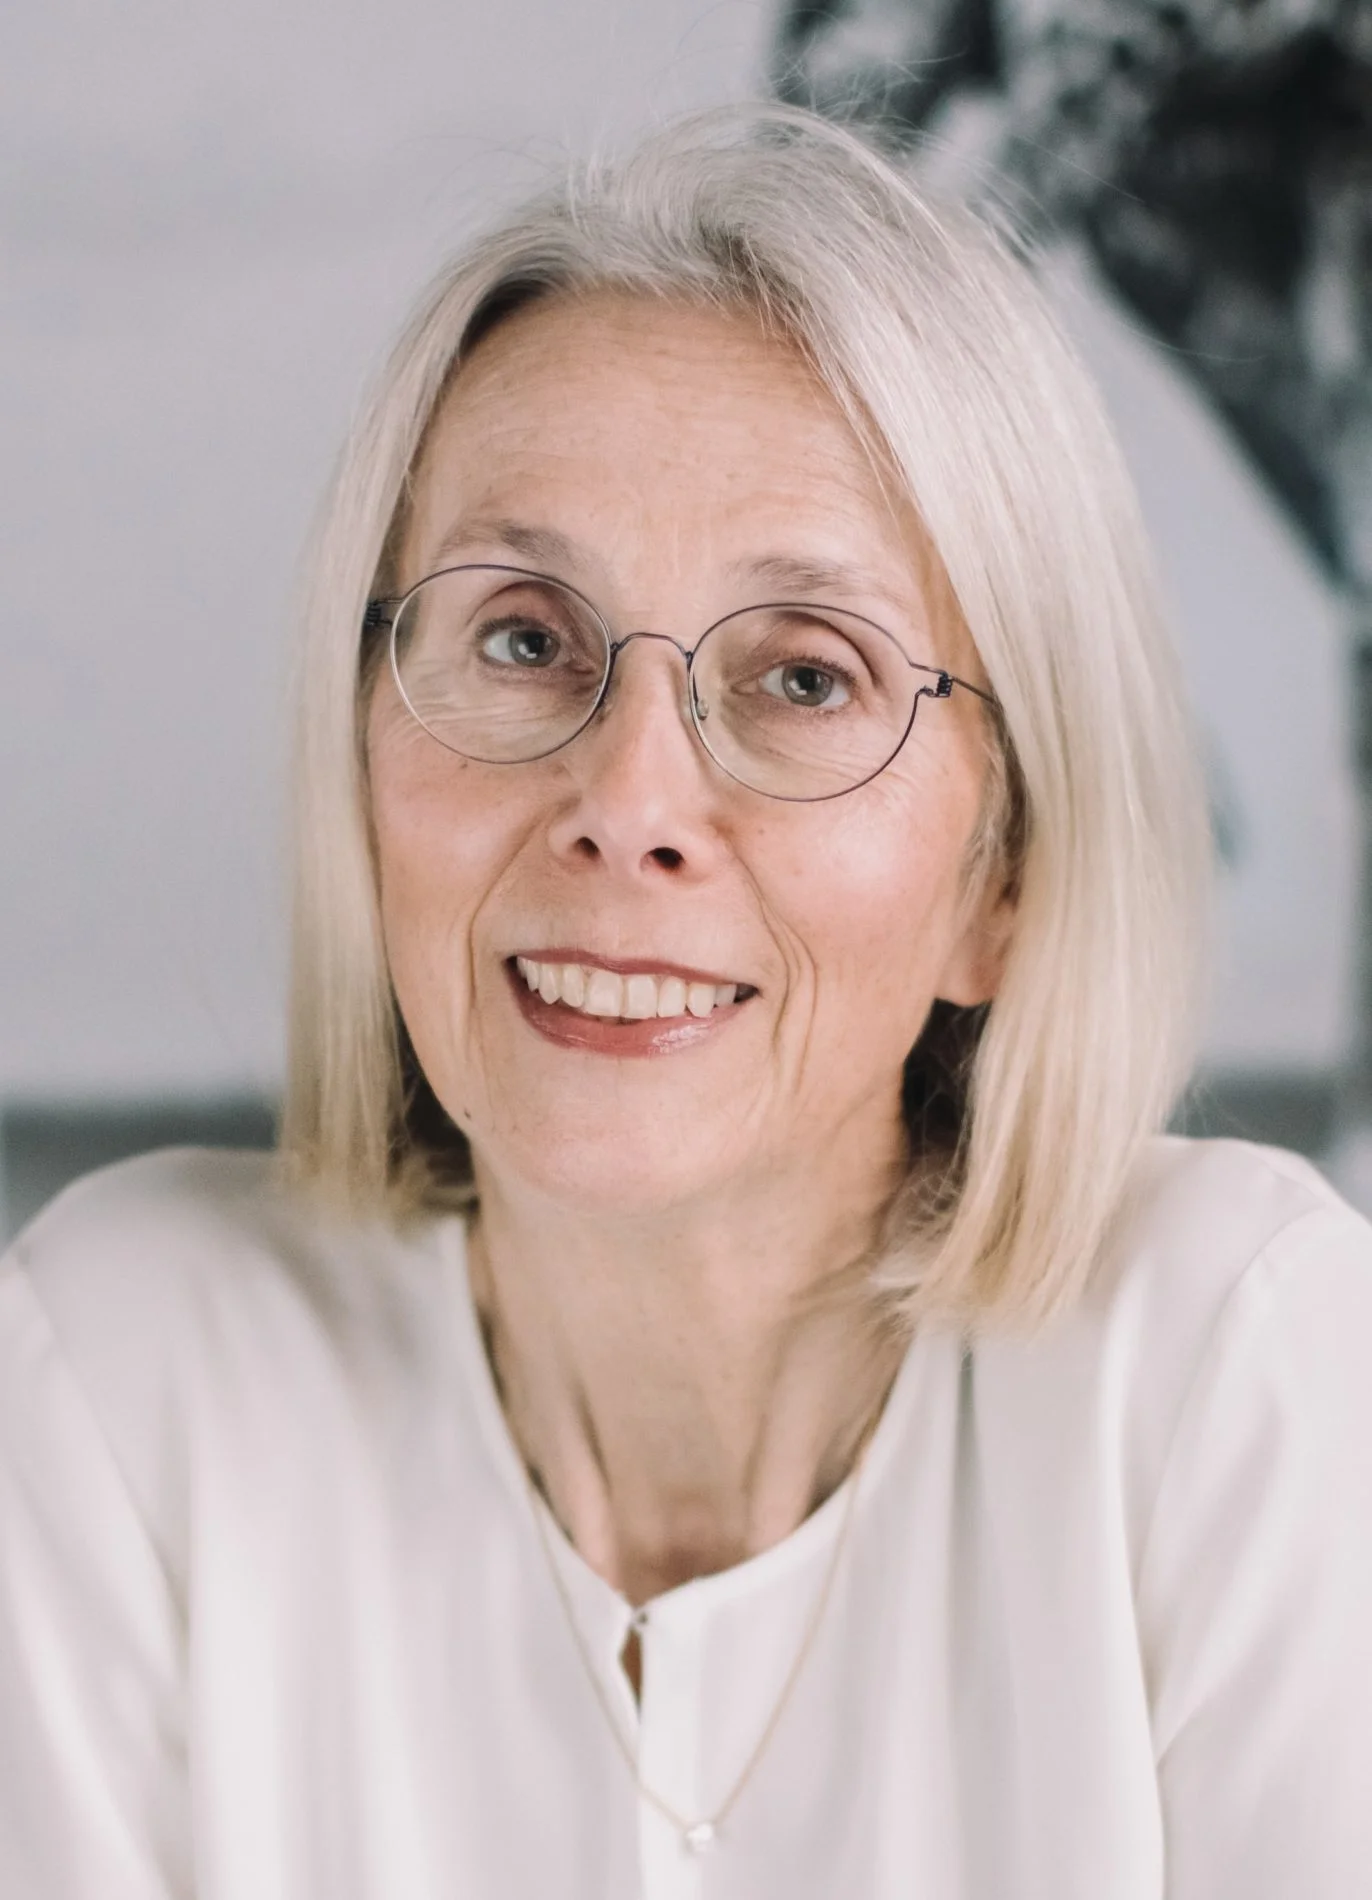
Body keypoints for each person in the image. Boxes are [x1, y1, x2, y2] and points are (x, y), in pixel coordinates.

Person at [1, 103, 1369, 1900]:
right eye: (521, 639)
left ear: (1007, 877)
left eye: (804, 677)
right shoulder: (111, 1383)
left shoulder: (1239, 1371)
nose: (629, 803)